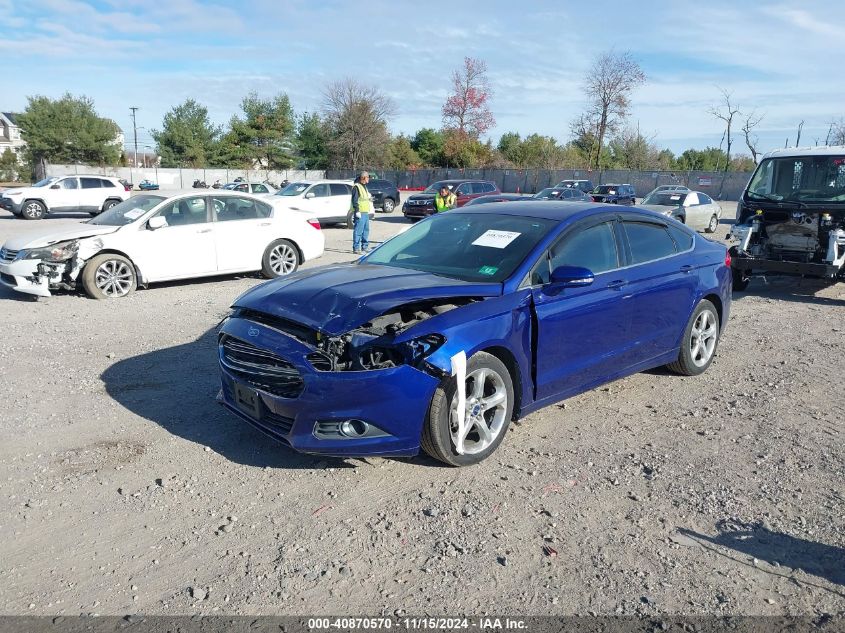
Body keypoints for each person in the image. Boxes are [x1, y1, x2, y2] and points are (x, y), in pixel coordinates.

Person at [349, 171, 374, 253]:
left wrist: (369, 199)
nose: (369, 179)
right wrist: (357, 211)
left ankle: (364, 246)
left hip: (365, 212)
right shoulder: (357, 187)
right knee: (358, 230)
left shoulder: (364, 186)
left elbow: (363, 198)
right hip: (360, 212)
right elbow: (355, 200)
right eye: (368, 177)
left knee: (366, 230)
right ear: (363, 178)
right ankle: (356, 248)